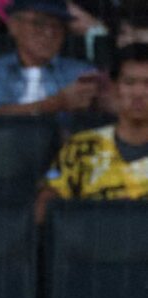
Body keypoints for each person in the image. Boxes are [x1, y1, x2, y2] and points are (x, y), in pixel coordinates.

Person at [35, 42, 148, 221]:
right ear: (114, 87)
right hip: (89, 246)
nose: (139, 93)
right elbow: (48, 199)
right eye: (129, 82)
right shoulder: (80, 146)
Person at [0, 0, 104, 117]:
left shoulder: (80, 72)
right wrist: (58, 102)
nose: (49, 33)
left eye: (57, 26)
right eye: (39, 23)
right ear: (14, 26)